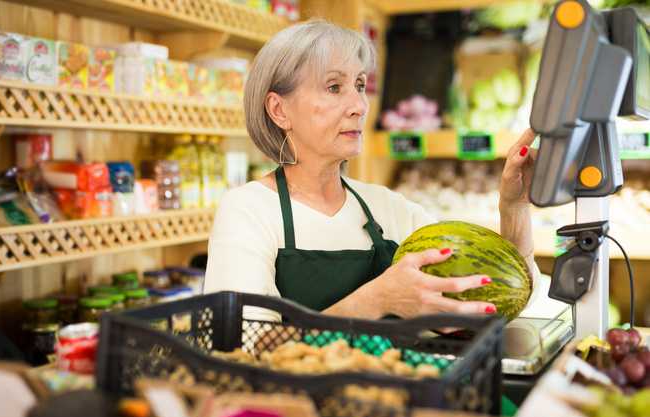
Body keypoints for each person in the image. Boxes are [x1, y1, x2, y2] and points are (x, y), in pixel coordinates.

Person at [203, 19, 540, 322]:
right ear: (279, 110)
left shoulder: (391, 210)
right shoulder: (249, 210)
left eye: (360, 86)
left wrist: (515, 209)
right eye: (335, 87)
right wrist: (376, 300)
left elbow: (501, 297)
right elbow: (242, 350)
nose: (360, 106)